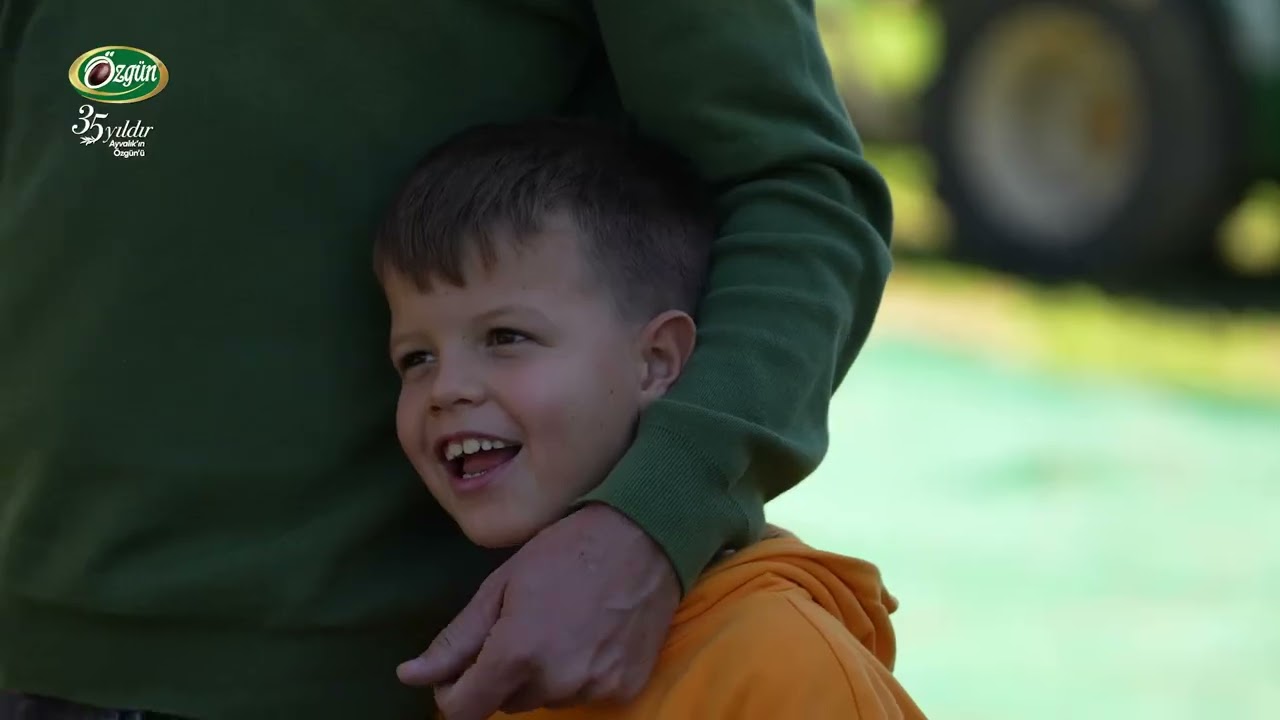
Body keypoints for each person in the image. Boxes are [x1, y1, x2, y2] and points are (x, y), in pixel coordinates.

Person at [0, 3, 893, 720]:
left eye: (502, 341)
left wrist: (653, 522)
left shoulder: (776, 665)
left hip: (406, 679)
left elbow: (797, 194)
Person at [374, 118, 923, 720]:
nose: (444, 389)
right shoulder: (499, 651)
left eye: (505, 336)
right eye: (416, 357)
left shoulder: (784, 663)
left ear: (656, 361)